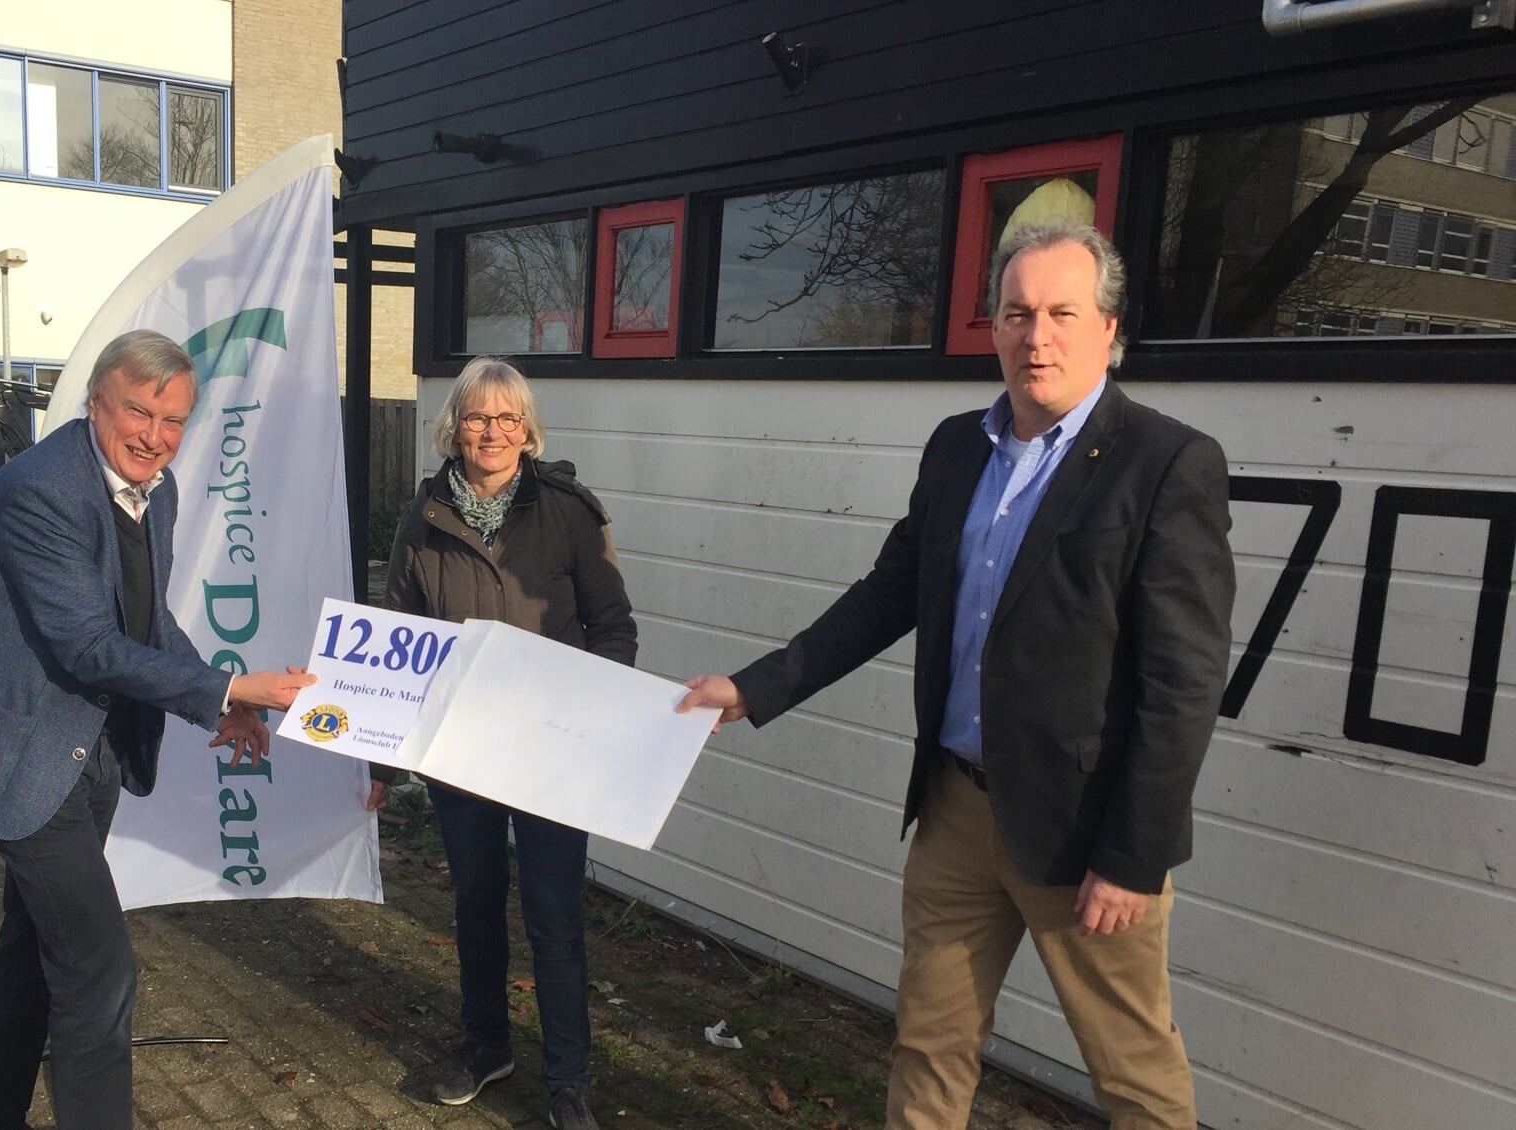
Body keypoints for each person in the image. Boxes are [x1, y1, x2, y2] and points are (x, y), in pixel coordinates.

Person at [678, 223, 1234, 1130]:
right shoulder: (957, 447)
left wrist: (1131, 857)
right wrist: (756, 686)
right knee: (929, 1042)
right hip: (955, 812)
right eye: (1017, 313)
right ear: (994, 327)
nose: (1036, 335)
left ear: (1108, 328)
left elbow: (1183, 684)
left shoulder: (1166, 463)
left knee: (1133, 1075)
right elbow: (890, 592)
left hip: (1082, 831)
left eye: (1062, 313)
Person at [0, 329, 315, 1130]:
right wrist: (230, 679)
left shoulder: (153, 489)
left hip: (90, 756)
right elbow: (86, 643)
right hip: (18, 758)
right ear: (96, 401)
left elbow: (145, 616)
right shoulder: (43, 490)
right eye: (138, 412)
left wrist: (223, 701)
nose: (155, 437)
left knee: (29, 953)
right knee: (98, 973)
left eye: (174, 421)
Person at [384, 357, 637, 1130]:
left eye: (507, 419)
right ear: (451, 427)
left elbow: (613, 626)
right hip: (461, 750)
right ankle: (487, 1043)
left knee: (554, 913)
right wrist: (376, 755)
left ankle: (568, 1080)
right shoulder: (421, 517)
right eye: (476, 418)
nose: (492, 432)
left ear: (527, 430)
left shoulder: (567, 511)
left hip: (550, 752)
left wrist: (588, 710)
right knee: (476, 902)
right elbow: (397, 641)